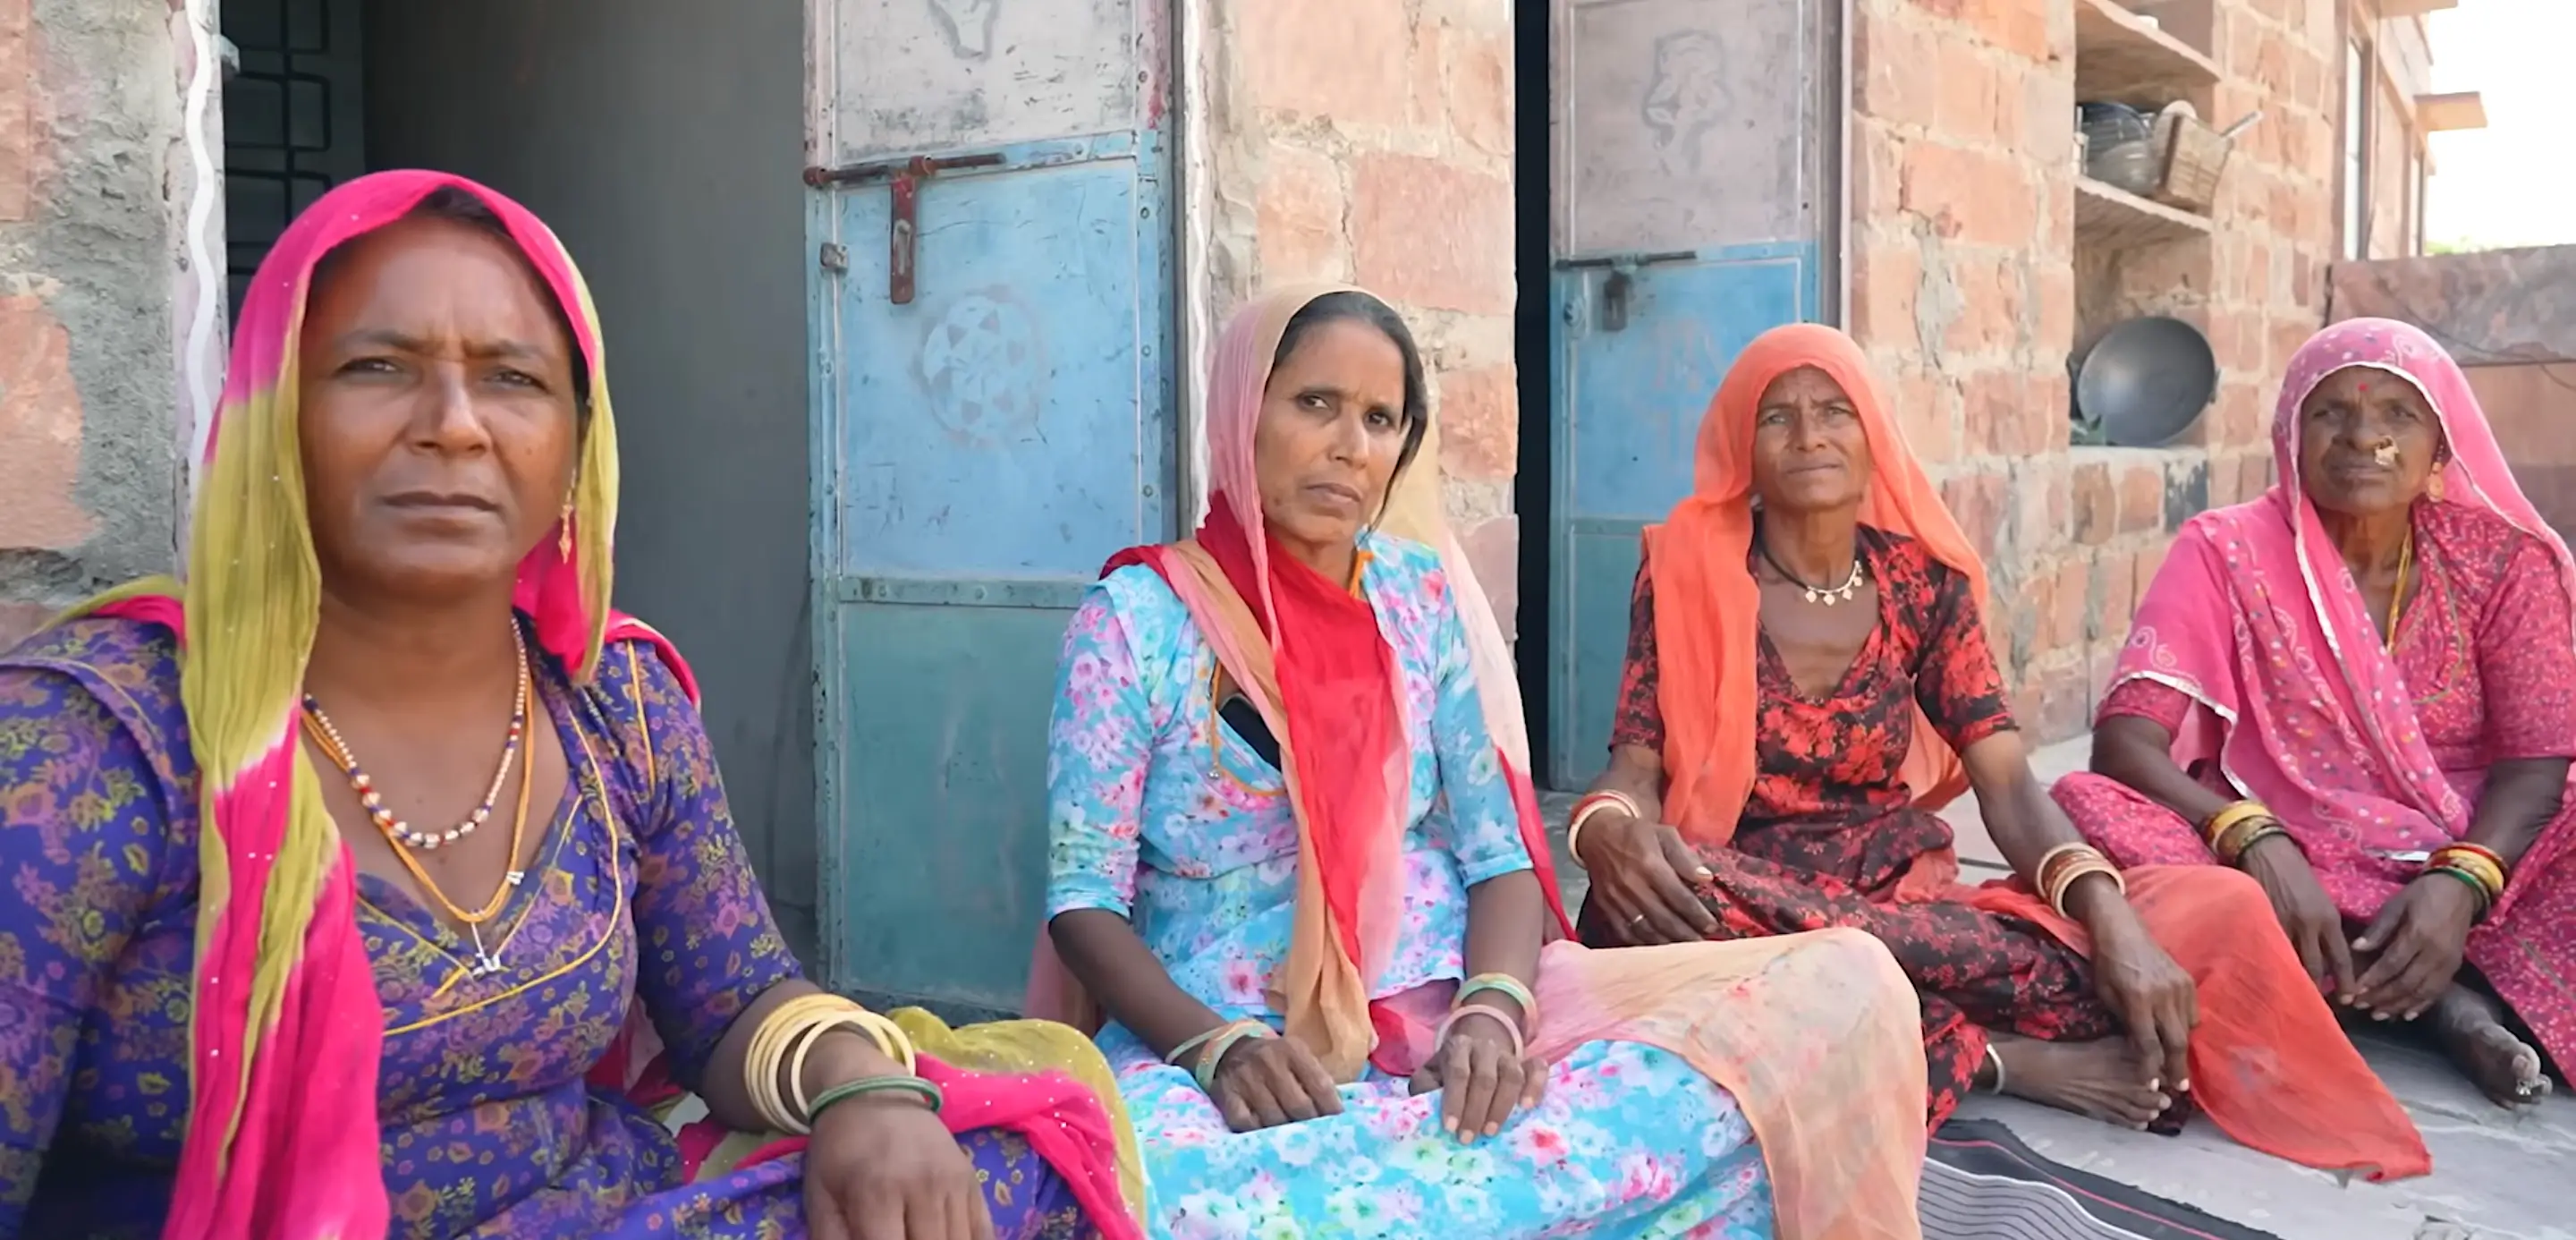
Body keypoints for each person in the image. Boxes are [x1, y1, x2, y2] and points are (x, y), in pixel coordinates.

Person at [0, 171, 1140, 1240]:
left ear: (574, 447)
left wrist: (862, 1087)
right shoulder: (94, 747)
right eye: (378, 367)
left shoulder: (616, 706)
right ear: (271, 421)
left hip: (596, 1213)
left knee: (992, 1170)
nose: (455, 423)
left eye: (513, 377)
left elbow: (731, 993)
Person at [1032, 286, 1934, 1240]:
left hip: (1452, 1010)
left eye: (1382, 420)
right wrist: (1213, 1049)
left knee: (1848, 985)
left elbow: (1497, 855)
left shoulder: (1415, 602)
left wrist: (1493, 1012)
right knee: (1145, 1192)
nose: (1351, 446)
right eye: (1314, 404)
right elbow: (1082, 900)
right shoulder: (1139, 622)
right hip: (1236, 1038)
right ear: (1239, 411)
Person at [1570, 323, 2428, 1178]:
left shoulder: (1923, 584)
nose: (1809, 436)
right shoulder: (1685, 572)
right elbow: (1637, 765)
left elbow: (2009, 782)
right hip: (1741, 886)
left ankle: (1899, 1014)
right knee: (1635, 913)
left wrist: (2110, 916)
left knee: (2091, 973)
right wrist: (1605, 830)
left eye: (1835, 411)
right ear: (1740, 448)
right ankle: (1994, 1058)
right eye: (1777, 418)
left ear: (1873, 435)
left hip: (1889, 894)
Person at [2056, 318, 2576, 1110]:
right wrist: (2255, 836)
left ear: (2441, 444)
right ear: (2291, 435)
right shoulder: (2225, 549)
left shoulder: (2503, 561)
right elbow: (2126, 744)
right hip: (2301, 854)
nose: (2363, 437)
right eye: (2331, 413)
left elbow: (2539, 762)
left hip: (2479, 845)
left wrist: (2462, 880)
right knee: (2083, 807)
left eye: (2398, 415)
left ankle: (2403, 981)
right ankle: (2442, 998)